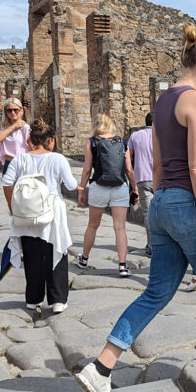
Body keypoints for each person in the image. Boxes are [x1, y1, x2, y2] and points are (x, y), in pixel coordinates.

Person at [74, 24, 196, 392]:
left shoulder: (162, 102)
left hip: (162, 205)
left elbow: (157, 165)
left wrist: (160, 202)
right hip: (192, 206)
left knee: (156, 292)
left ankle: (101, 368)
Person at [2, 119, 77, 314]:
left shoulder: (20, 159)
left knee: (32, 254)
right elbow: (70, 185)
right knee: (55, 252)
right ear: (51, 140)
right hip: (51, 211)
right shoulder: (57, 159)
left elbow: (6, 182)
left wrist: (13, 207)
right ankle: (58, 299)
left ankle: (33, 299)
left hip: (26, 211)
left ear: (30, 141)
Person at [77, 114, 134, 277]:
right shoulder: (122, 142)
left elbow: (87, 169)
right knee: (120, 227)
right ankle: (122, 266)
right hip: (120, 187)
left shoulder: (93, 142)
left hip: (99, 187)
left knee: (93, 225)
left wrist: (81, 189)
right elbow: (129, 169)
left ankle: (84, 259)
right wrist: (134, 188)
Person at [127, 112, 155, 256]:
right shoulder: (163, 135)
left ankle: (151, 246)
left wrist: (133, 183)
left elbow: (127, 161)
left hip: (142, 179)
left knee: (148, 215)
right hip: (162, 180)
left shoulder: (135, 136)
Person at [0, 97, 30, 176]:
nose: (12, 112)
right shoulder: (6, 129)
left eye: (15, 110)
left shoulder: (25, 128)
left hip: (22, 164)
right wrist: (13, 126)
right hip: (8, 164)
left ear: (21, 111)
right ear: (6, 112)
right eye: (9, 110)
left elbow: (32, 147)